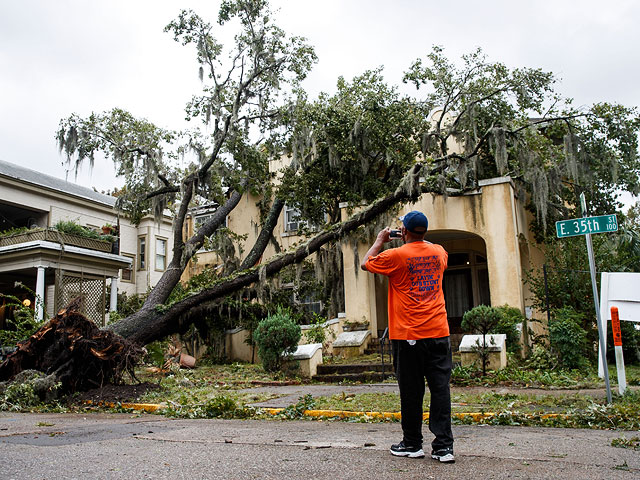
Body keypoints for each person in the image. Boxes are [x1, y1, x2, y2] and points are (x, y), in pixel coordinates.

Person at [360, 210, 454, 463]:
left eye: (402, 228)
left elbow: (366, 263)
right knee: (440, 390)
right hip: (439, 333)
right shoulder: (439, 252)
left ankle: (412, 443)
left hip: (409, 335)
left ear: (404, 231)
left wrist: (380, 241)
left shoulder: (395, 255)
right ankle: (444, 447)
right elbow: (435, 252)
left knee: (411, 392)